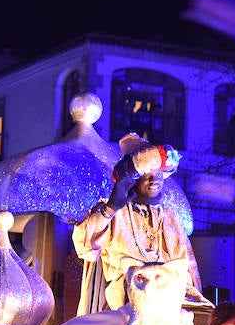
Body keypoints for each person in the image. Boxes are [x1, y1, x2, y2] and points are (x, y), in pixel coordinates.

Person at [72, 133, 203, 314]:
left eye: (158, 173)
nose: (154, 179)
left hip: (167, 303)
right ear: (133, 179)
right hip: (125, 303)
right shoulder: (114, 210)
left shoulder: (168, 218)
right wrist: (111, 208)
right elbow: (84, 247)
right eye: (146, 173)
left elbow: (188, 266)